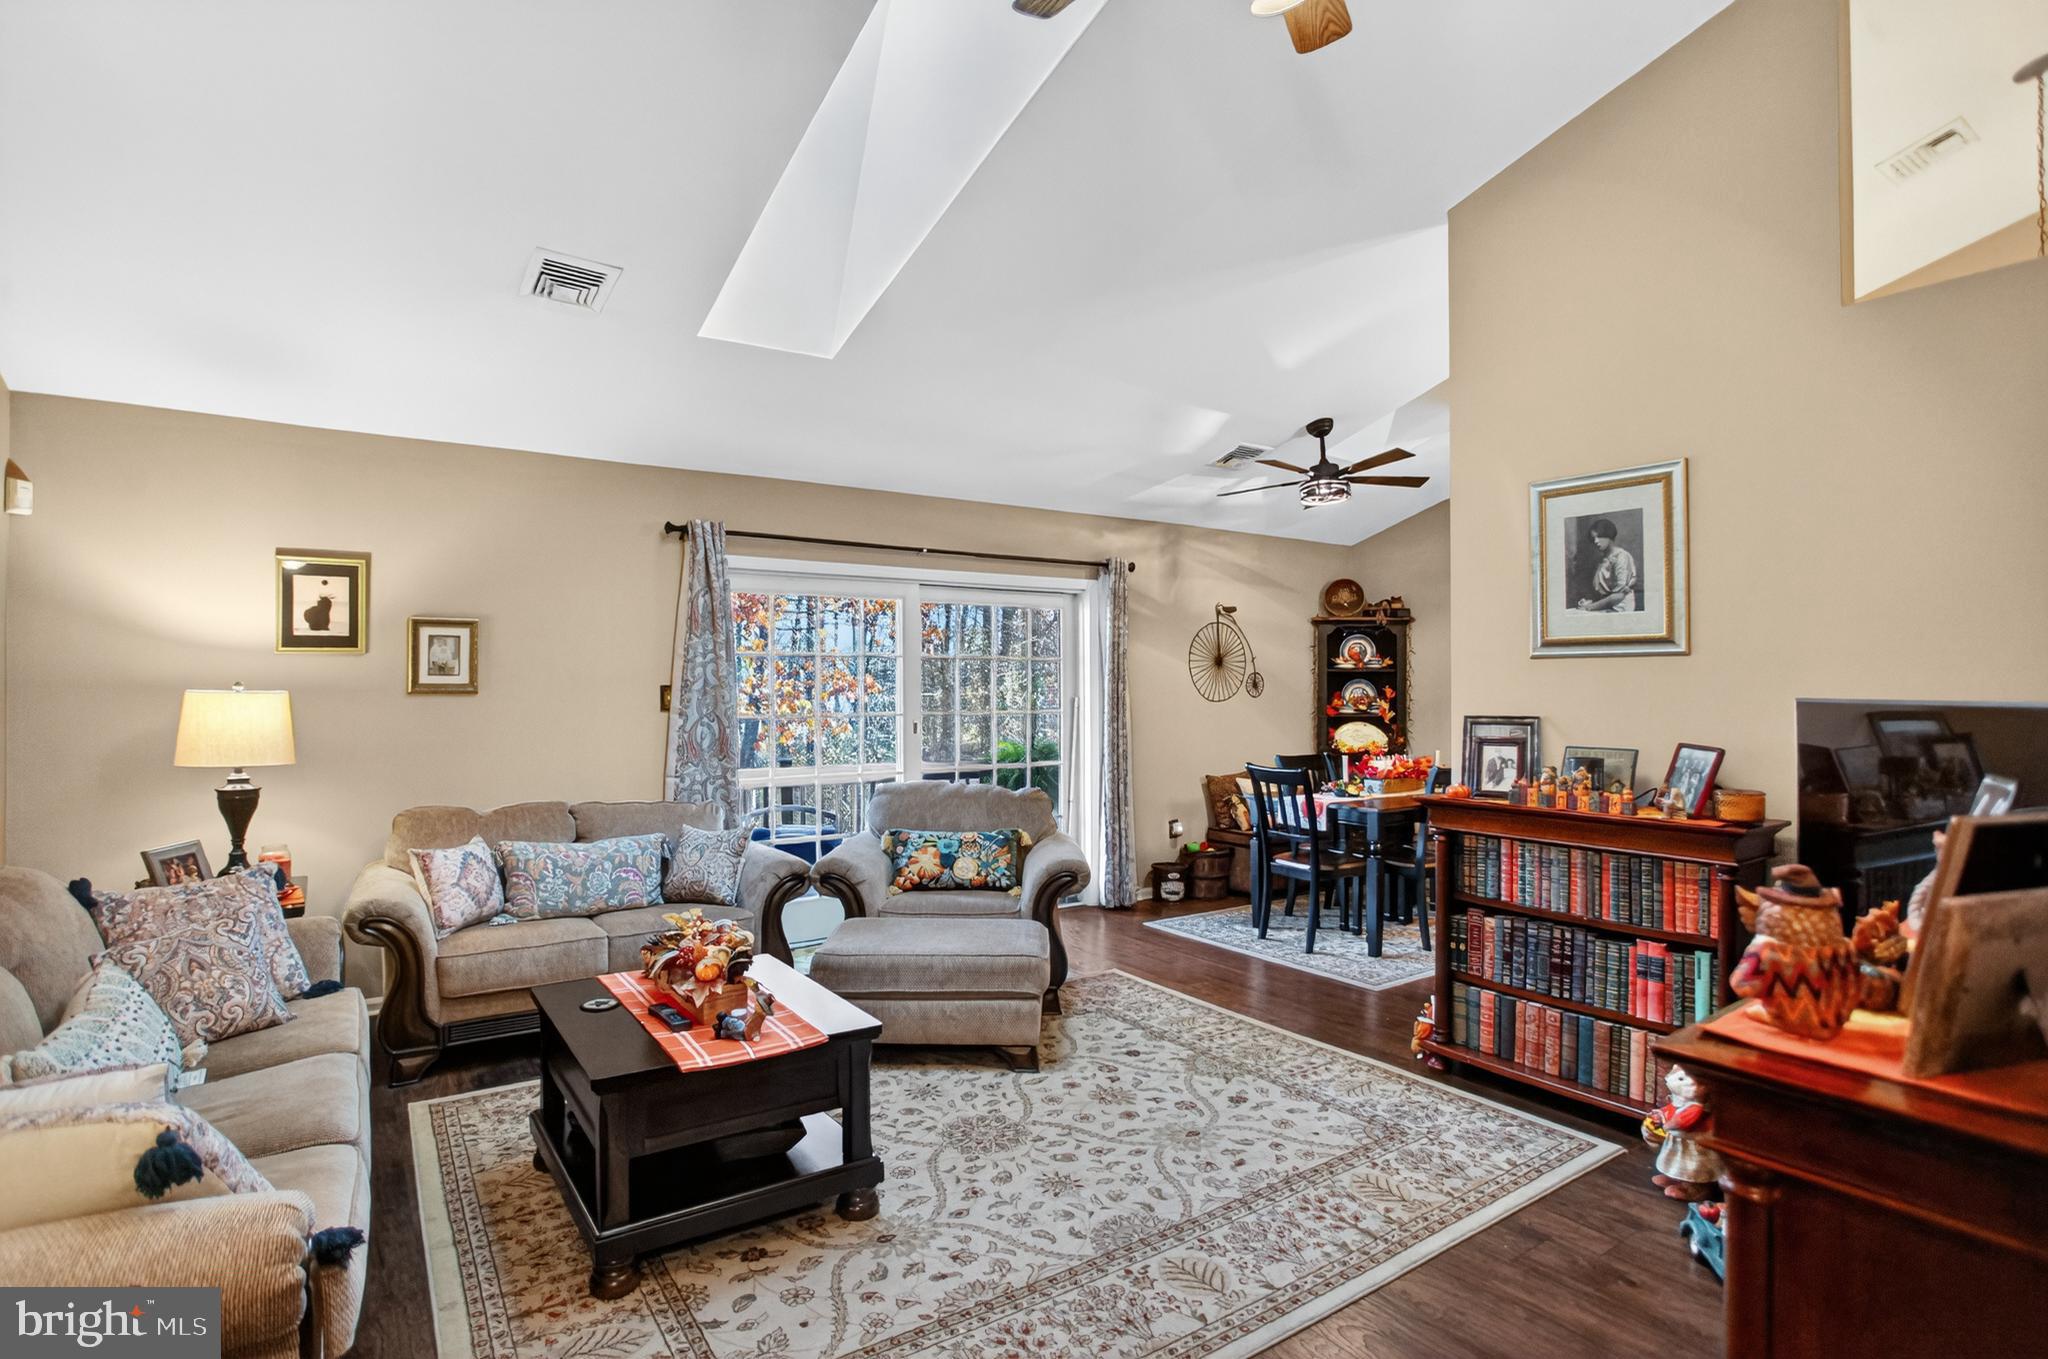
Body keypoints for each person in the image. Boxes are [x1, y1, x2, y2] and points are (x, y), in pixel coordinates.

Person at [1575, 518, 1638, 612]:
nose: (1596, 541)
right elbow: (1604, 592)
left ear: (1608, 535)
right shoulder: (1601, 560)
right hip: (1605, 607)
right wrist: (1589, 602)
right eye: (1593, 538)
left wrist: (1591, 606)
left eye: (1599, 537)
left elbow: (1619, 596)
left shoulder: (1622, 557)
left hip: (1620, 608)